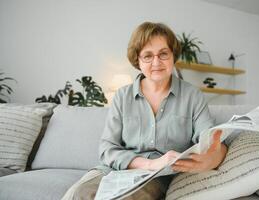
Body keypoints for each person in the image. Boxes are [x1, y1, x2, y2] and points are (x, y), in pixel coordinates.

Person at [62, 21, 227, 200]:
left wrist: (215, 153)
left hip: (157, 178)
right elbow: (107, 149)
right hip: (116, 170)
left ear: (173, 56)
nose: (156, 62)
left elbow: (208, 141)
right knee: (80, 194)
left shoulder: (193, 96)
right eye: (148, 56)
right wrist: (150, 163)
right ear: (138, 60)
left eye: (163, 54)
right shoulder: (122, 97)